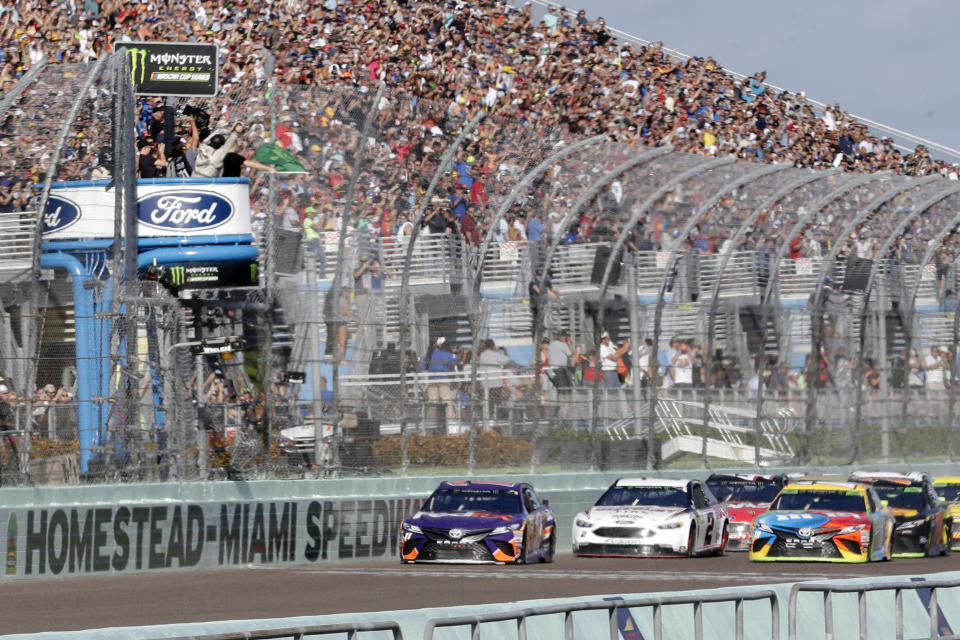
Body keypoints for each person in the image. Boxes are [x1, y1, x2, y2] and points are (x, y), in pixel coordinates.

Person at [422, 337, 460, 432]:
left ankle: (429, 428)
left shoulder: (428, 355)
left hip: (432, 381)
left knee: (432, 404)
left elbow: (424, 367)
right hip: (443, 381)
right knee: (448, 403)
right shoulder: (446, 354)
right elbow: (458, 360)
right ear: (441, 345)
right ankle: (452, 427)